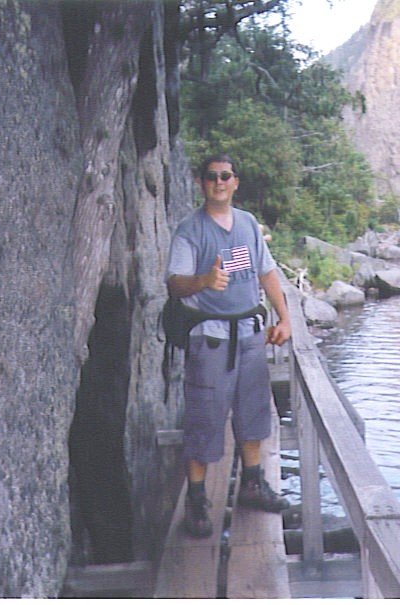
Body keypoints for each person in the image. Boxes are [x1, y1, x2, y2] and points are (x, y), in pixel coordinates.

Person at [166, 153, 292, 538]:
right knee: (205, 418)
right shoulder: (191, 231)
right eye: (211, 177)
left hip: (251, 333)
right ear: (202, 184)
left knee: (254, 412)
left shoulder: (249, 225)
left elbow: (266, 271)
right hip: (211, 339)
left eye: (226, 176)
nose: (219, 182)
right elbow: (174, 282)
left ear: (235, 182)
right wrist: (203, 281)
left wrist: (284, 317)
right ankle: (198, 500)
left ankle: (252, 484)